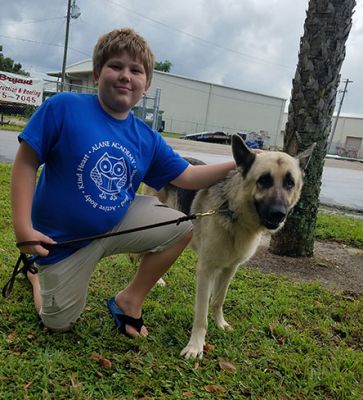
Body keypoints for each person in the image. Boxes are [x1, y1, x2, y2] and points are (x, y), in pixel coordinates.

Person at [11, 28, 236, 338]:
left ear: (147, 85)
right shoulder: (63, 108)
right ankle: (35, 273)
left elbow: (188, 176)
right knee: (58, 325)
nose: (125, 76)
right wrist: (23, 229)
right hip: (61, 243)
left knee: (183, 226)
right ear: (96, 73)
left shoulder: (146, 139)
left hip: (118, 225)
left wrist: (241, 162)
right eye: (115, 66)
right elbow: (26, 162)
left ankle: (129, 301)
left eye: (136, 70)